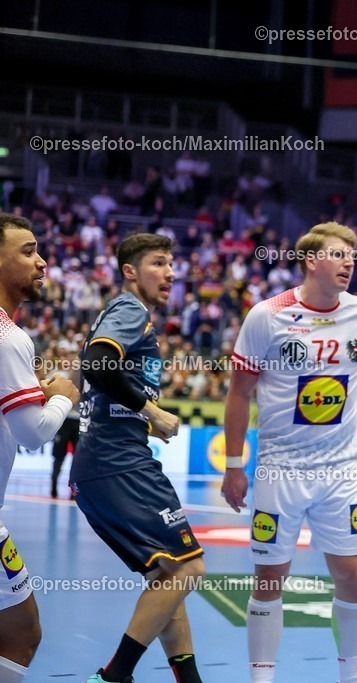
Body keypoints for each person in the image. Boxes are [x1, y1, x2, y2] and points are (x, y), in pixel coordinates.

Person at [221, 222, 357, 683]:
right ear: (311, 261)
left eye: (353, 254)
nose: (350, 261)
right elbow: (238, 393)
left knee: (353, 577)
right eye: (339, 254)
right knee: (270, 580)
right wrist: (235, 466)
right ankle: (261, 678)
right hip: (279, 470)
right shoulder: (267, 317)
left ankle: (352, 676)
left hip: (338, 471)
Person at [71, 233, 205, 683]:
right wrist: (152, 412)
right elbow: (96, 364)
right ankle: (114, 677)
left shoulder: (129, 315)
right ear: (130, 271)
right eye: (158, 263)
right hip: (118, 460)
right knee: (188, 567)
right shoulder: (130, 310)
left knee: (167, 575)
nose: (170, 273)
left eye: (172, 265)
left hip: (105, 462)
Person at [0, 214, 80, 682]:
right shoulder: (9, 337)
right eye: (27, 251)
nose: (42, 262)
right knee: (23, 633)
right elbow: (32, 434)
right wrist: (61, 396)